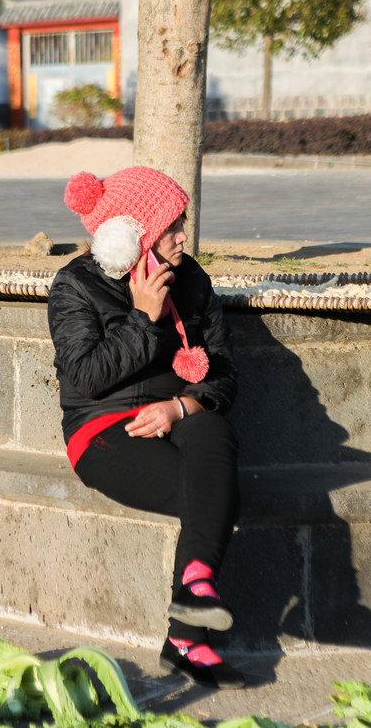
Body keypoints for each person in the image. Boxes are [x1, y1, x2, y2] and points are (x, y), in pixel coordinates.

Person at [47, 165, 243, 689]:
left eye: (183, 221)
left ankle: (195, 590)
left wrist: (180, 407)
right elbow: (86, 376)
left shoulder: (194, 280)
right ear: (133, 233)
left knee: (214, 433)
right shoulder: (76, 284)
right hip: (106, 431)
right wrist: (143, 316)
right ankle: (186, 638)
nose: (184, 234)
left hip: (173, 418)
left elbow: (223, 372)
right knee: (216, 490)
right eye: (173, 225)